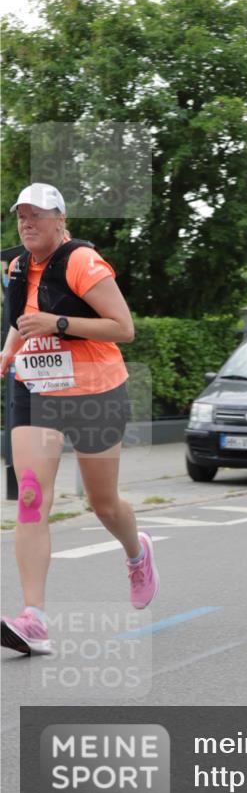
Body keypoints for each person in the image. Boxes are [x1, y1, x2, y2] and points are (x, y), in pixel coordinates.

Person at [0, 184, 159, 655]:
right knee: (30, 495)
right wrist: (8, 352)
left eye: (36, 216)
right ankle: (35, 619)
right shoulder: (15, 267)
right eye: (21, 217)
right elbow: (19, 319)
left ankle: (137, 553)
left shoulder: (82, 263)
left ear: (60, 219)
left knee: (103, 503)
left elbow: (123, 328)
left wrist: (59, 324)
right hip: (36, 390)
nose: (27, 224)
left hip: (95, 392)